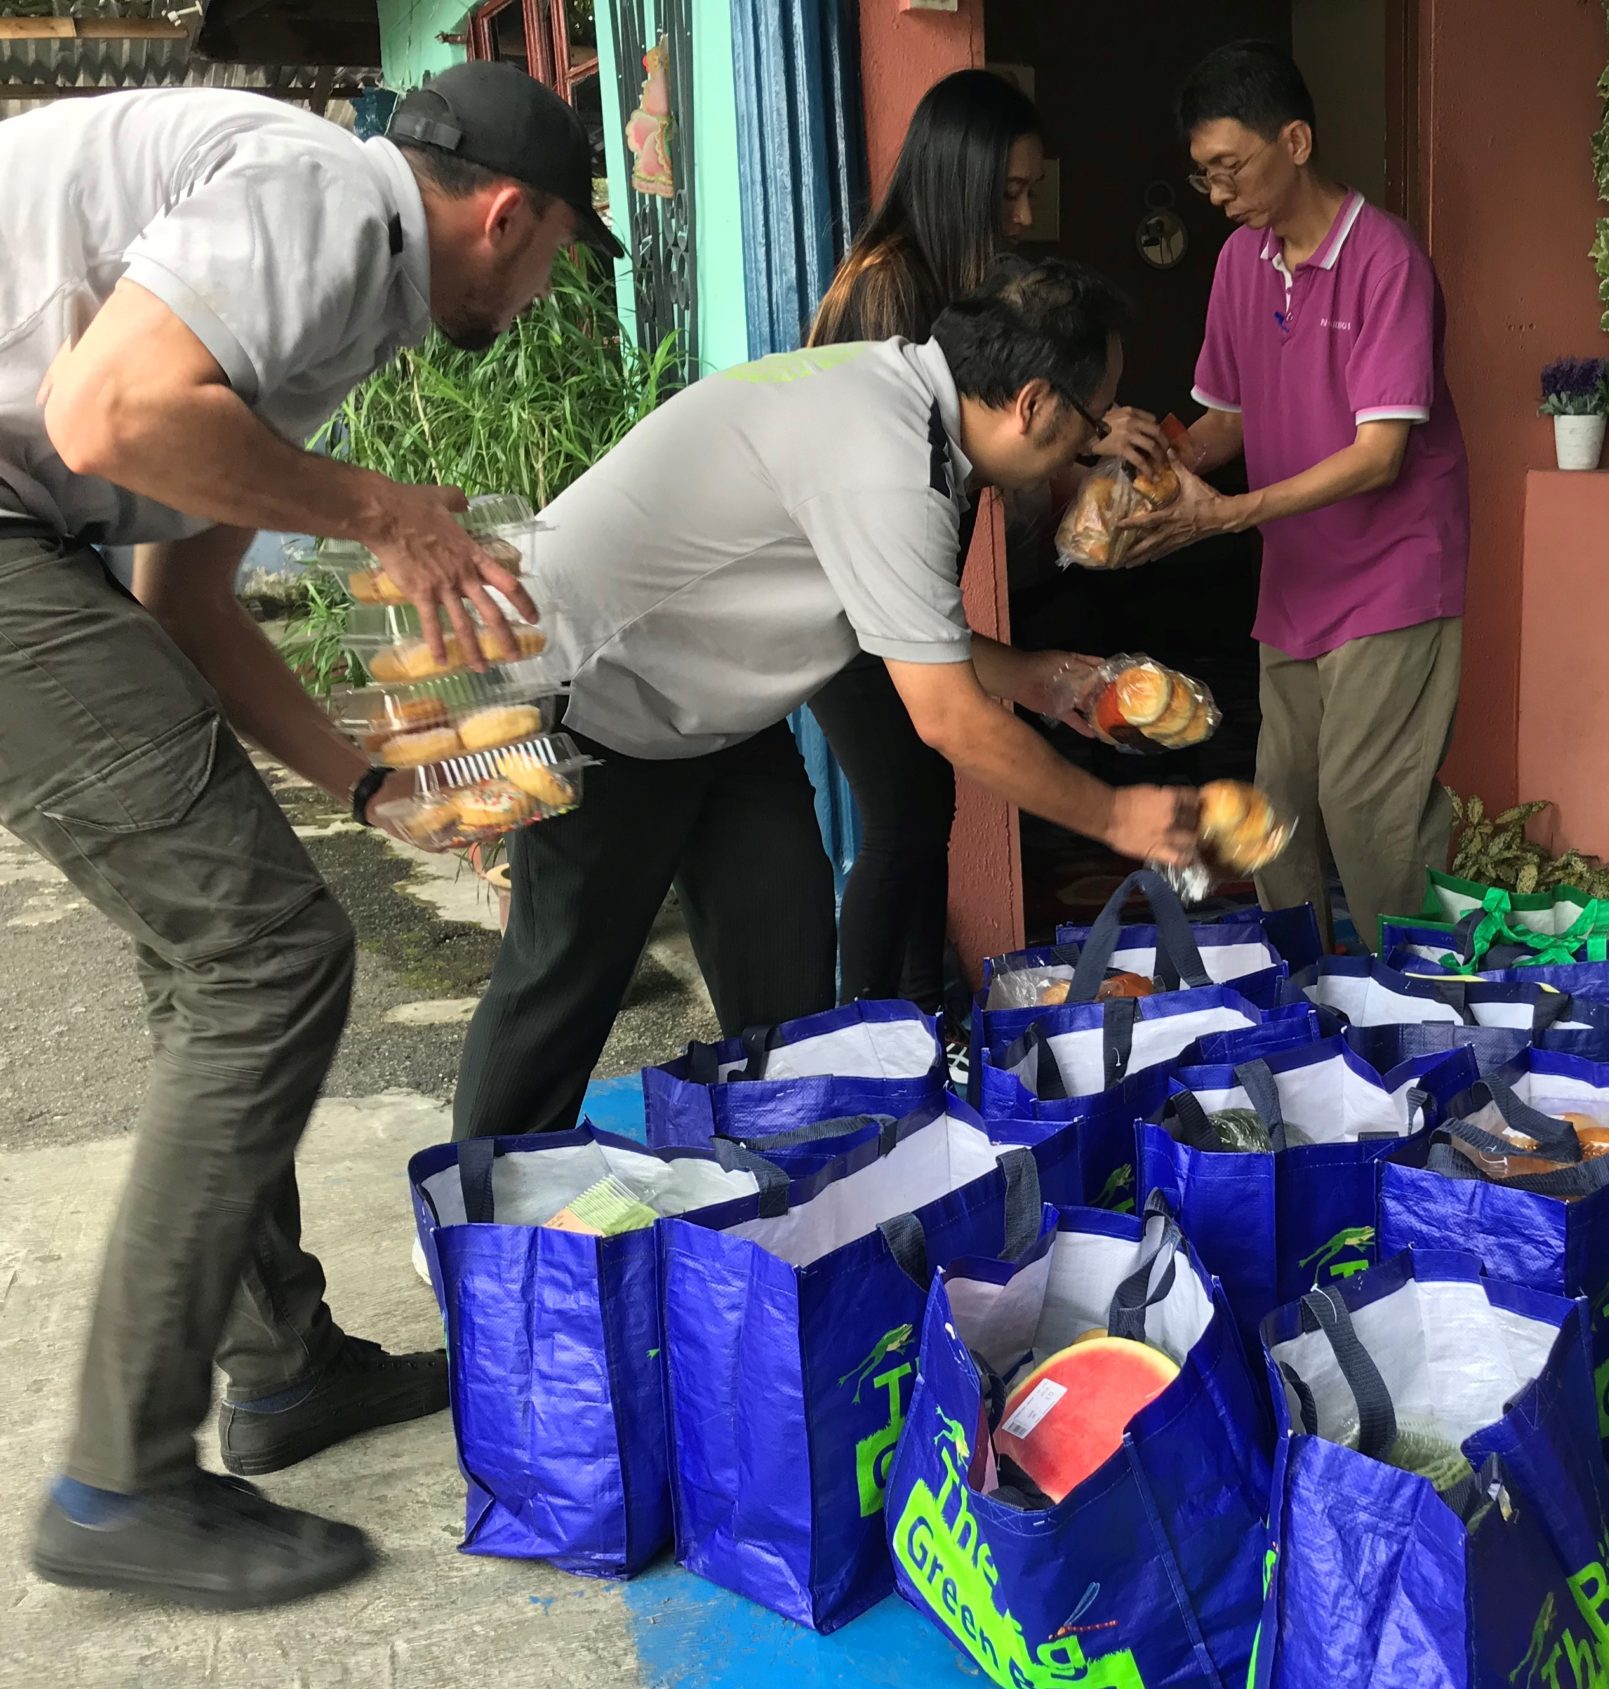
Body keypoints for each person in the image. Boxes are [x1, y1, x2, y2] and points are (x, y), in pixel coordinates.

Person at [0, 63, 613, 1609]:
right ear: (510, 218)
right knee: (262, 950)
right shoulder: (323, 194)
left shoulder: (323, 303)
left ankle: (282, 1361)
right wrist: (388, 513)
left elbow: (182, 603)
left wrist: (372, 789)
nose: (535, 298)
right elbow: (104, 409)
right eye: (554, 265)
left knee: (217, 940)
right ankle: (120, 1478)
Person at [449, 257, 1197, 1141]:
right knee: (566, 977)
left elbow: (904, 627)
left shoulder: (900, 404)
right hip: (601, 694)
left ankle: (781, 1171)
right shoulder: (888, 457)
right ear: (1034, 405)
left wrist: (1038, 677)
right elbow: (948, 717)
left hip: (723, 707)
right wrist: (1116, 815)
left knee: (785, 965)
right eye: (1091, 415)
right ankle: (475, 1208)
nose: (1094, 439)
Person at [1108, 39, 1469, 952]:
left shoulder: (1386, 262)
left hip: (1392, 574)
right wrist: (1154, 464)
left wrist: (1224, 515)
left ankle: (1416, 998)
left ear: (1296, 140)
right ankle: (1302, 988)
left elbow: (1379, 455)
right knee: (1272, 811)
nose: (1220, 193)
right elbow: (1225, 418)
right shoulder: (1239, 264)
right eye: (1203, 177)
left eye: (1229, 168)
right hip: (1297, 579)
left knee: (1364, 810)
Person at [803, 68, 1050, 1009]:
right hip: (853, 604)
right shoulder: (888, 290)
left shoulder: (947, 282)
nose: (1024, 215)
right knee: (904, 820)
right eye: (1011, 193)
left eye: (1032, 190)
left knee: (925, 813)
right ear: (958, 181)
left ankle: (917, 1018)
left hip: (895, 596)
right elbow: (931, 457)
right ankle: (864, 1031)